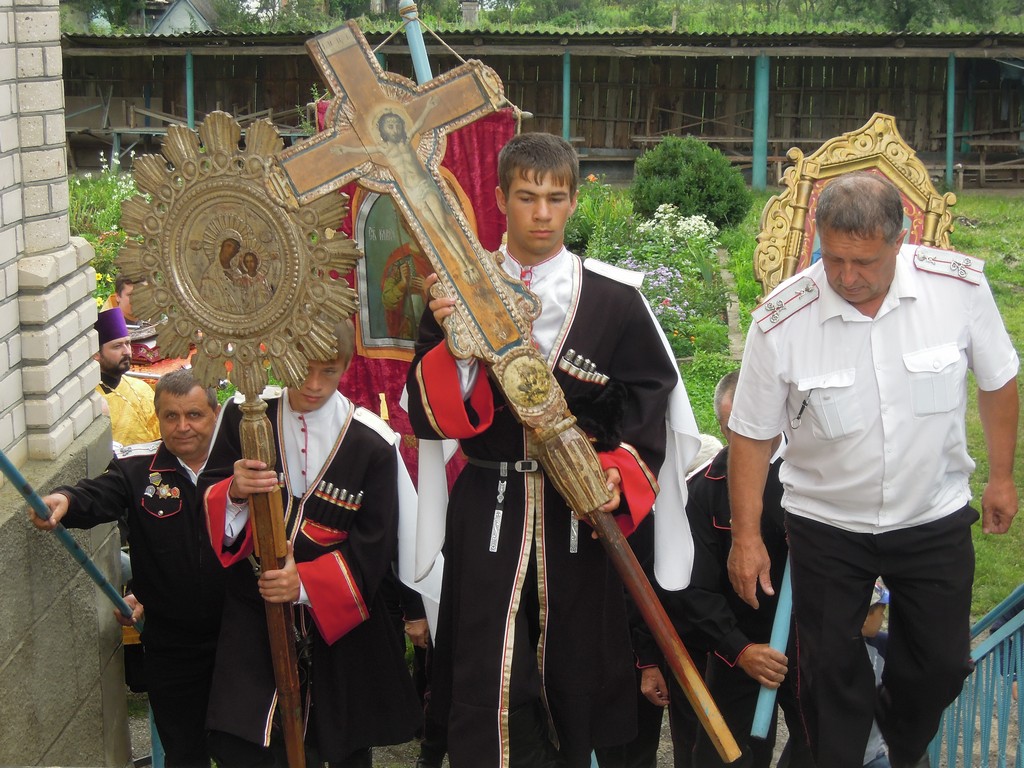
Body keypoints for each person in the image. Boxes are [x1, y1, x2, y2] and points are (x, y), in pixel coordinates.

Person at [406, 132, 699, 767]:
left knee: (572, 668)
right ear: (500, 199)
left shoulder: (616, 300)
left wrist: (618, 472)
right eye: (527, 196)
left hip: (578, 513)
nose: (542, 212)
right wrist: (454, 349)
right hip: (487, 501)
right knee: (489, 667)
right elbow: (428, 417)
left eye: (556, 197)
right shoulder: (455, 295)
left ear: (572, 204)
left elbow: (651, 396)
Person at [726, 171, 1020, 768]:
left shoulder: (957, 289)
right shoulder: (782, 319)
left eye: (863, 261)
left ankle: (897, 744)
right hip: (827, 523)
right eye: (832, 259)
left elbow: (998, 379)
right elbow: (752, 435)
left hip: (931, 514)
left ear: (900, 240)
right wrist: (747, 536)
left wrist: (1001, 475)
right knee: (829, 677)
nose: (846, 277)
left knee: (941, 664)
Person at [202, 319, 421, 768]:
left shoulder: (373, 443)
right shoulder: (245, 416)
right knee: (251, 748)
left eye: (329, 371)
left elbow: (374, 545)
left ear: (346, 367)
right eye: (303, 368)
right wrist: (236, 491)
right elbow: (210, 495)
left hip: (338, 630)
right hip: (254, 617)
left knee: (337, 748)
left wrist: (302, 584)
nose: (314, 384)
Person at [29, 368, 226, 768]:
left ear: (215, 414)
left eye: (194, 415)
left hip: (240, 639)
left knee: (250, 751)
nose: (183, 426)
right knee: (185, 753)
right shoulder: (138, 469)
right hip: (172, 647)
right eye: (171, 416)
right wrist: (66, 500)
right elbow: (98, 493)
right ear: (158, 417)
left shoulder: (241, 465)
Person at [630, 370, 812, 768]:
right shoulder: (706, 489)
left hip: (809, 639)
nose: (744, 440)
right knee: (718, 756)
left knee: (826, 744)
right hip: (738, 643)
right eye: (733, 430)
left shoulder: (813, 476)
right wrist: (739, 649)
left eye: (753, 428)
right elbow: (693, 587)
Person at [94, 306, 161, 446]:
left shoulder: (142, 387)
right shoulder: (93, 400)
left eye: (128, 343)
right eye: (117, 346)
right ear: (96, 354)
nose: (127, 352)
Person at [862, 579, 891, 768]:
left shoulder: (882, 644)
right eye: (881, 613)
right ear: (865, 616)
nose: (882, 619)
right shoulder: (835, 648)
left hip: (872, 752)